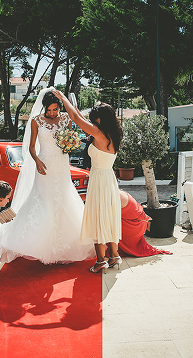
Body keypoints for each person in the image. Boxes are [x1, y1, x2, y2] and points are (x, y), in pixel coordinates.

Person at [0, 88, 95, 266]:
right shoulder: (36, 121)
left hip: (61, 164)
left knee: (63, 198)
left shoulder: (66, 118)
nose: (52, 113)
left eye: (55, 109)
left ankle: (65, 247)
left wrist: (70, 146)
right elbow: (31, 147)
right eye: (49, 110)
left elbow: (71, 137)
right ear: (44, 107)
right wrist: (37, 161)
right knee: (44, 200)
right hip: (44, 165)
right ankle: (38, 245)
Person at [54, 90, 123, 273]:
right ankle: (114, 255)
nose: (93, 122)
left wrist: (63, 99)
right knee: (109, 216)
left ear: (100, 120)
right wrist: (73, 104)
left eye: (95, 119)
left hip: (99, 179)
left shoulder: (98, 132)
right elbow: (79, 116)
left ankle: (101, 261)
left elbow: (76, 119)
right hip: (109, 179)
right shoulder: (113, 134)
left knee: (98, 217)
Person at [118, 190, 172, 257]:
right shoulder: (117, 192)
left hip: (135, 226)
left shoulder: (116, 195)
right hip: (139, 223)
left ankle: (113, 254)